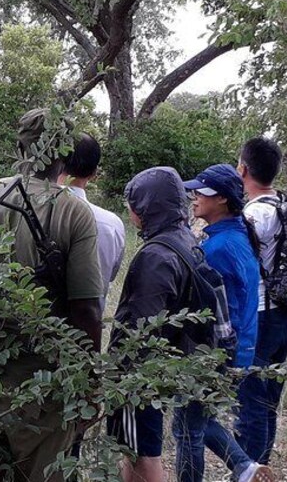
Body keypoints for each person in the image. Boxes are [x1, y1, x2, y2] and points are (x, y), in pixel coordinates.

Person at [0, 108, 103, 482]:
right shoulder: (73, 213)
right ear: (65, 152)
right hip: (42, 384)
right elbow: (86, 310)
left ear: (19, 146)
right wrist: (92, 383)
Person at [174, 164, 274, 482]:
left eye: (201, 192)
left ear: (221, 200)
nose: (193, 197)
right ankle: (246, 467)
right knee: (196, 421)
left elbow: (213, 312)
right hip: (239, 349)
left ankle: (244, 467)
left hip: (214, 353)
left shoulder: (216, 249)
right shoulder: (237, 236)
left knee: (188, 430)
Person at [106, 166, 206, 482]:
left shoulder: (157, 255)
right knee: (138, 450)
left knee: (142, 456)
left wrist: (119, 379)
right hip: (168, 365)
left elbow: (140, 328)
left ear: (147, 206)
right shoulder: (185, 240)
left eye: (133, 204)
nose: (131, 212)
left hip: (142, 376)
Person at [234, 137, 287, 465]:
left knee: (251, 405)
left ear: (242, 169)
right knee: (268, 401)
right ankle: (262, 468)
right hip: (285, 313)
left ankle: (250, 471)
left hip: (257, 315)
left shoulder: (254, 214)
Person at [57, 132, 126, 311]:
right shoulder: (112, 224)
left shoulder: (30, 210)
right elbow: (109, 276)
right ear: (95, 173)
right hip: (86, 329)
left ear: (55, 162)